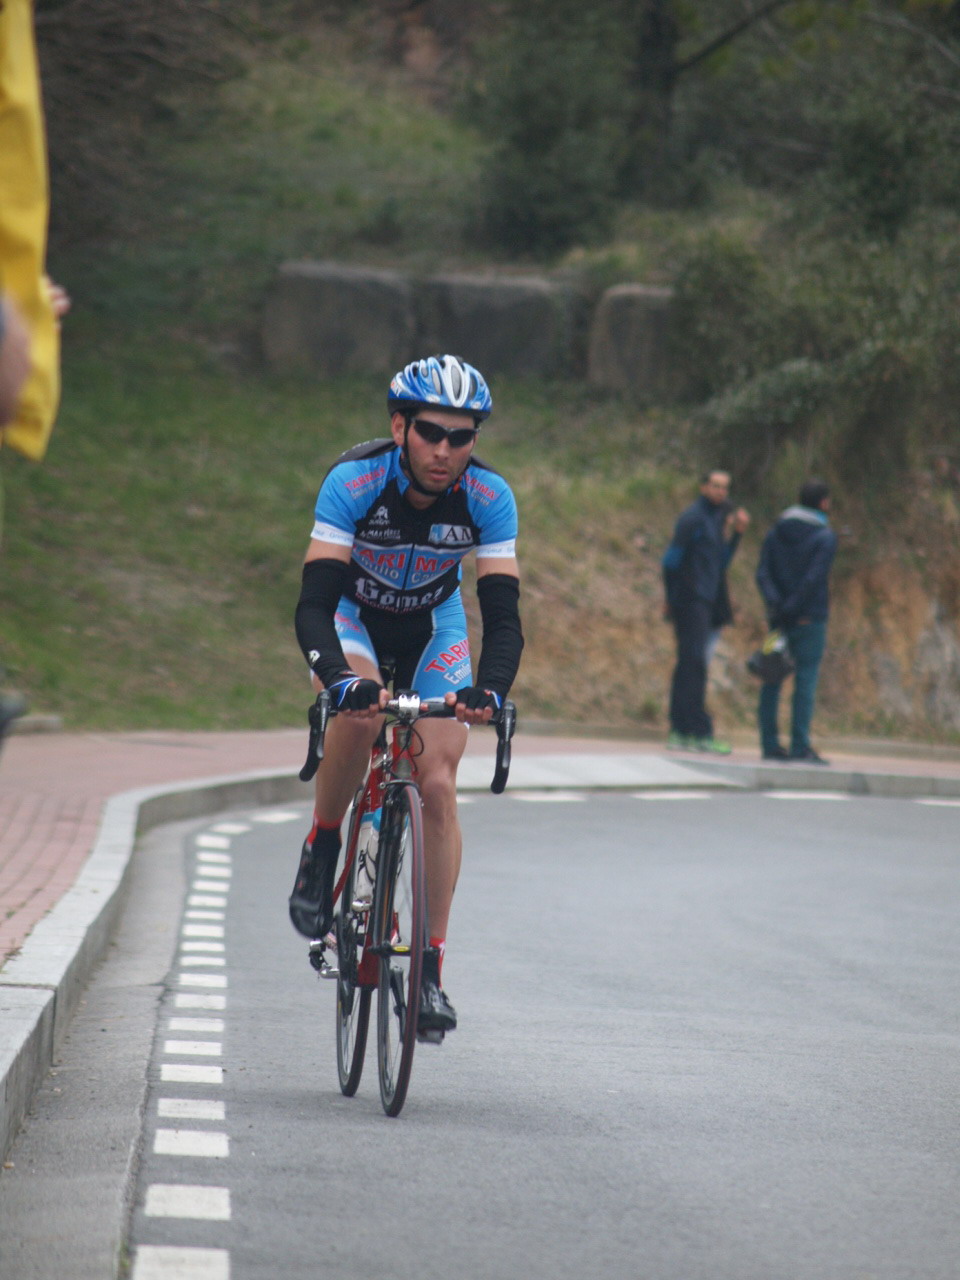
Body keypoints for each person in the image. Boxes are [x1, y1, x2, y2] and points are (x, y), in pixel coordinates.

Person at [290, 354, 523, 1035]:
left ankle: (428, 973)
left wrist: (490, 690)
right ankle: (324, 844)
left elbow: (503, 616)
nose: (445, 450)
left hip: (433, 624)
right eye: (430, 432)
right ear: (400, 427)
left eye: (462, 436)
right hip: (353, 617)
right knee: (360, 720)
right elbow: (314, 604)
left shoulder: (489, 497)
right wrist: (340, 678)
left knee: (439, 783)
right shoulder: (354, 481)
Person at [662, 470, 749, 753]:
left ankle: (684, 729)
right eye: (715, 486)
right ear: (703, 487)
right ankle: (693, 730)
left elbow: (719, 562)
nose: (721, 491)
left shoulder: (715, 520)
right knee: (693, 664)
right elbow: (671, 561)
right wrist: (671, 598)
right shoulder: (693, 519)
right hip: (690, 600)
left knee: (692, 664)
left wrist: (736, 536)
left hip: (707, 601)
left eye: (725, 487)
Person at [755, 480, 837, 764]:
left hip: (776, 622)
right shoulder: (825, 537)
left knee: (771, 678)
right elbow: (814, 578)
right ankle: (800, 746)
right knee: (805, 681)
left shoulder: (775, 531)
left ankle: (769, 744)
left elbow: (762, 573)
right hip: (809, 619)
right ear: (823, 503)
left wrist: (776, 605)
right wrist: (793, 607)